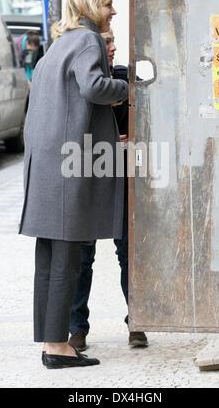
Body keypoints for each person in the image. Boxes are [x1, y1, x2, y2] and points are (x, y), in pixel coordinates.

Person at [18, 0, 128, 369]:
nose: (113, 11)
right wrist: (130, 87)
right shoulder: (88, 40)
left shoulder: (58, 45)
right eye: (108, 4)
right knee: (66, 257)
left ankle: (52, 342)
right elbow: (94, 87)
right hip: (68, 162)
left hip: (45, 163)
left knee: (49, 258)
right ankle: (58, 347)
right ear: (92, 5)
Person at [68, 28, 148, 350]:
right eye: (107, 43)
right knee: (83, 255)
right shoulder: (77, 81)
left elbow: (150, 120)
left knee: (128, 252)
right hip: (87, 173)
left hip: (123, 174)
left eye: (114, 41)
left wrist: (134, 136)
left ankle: (137, 321)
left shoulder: (125, 79)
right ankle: (77, 328)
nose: (113, 48)